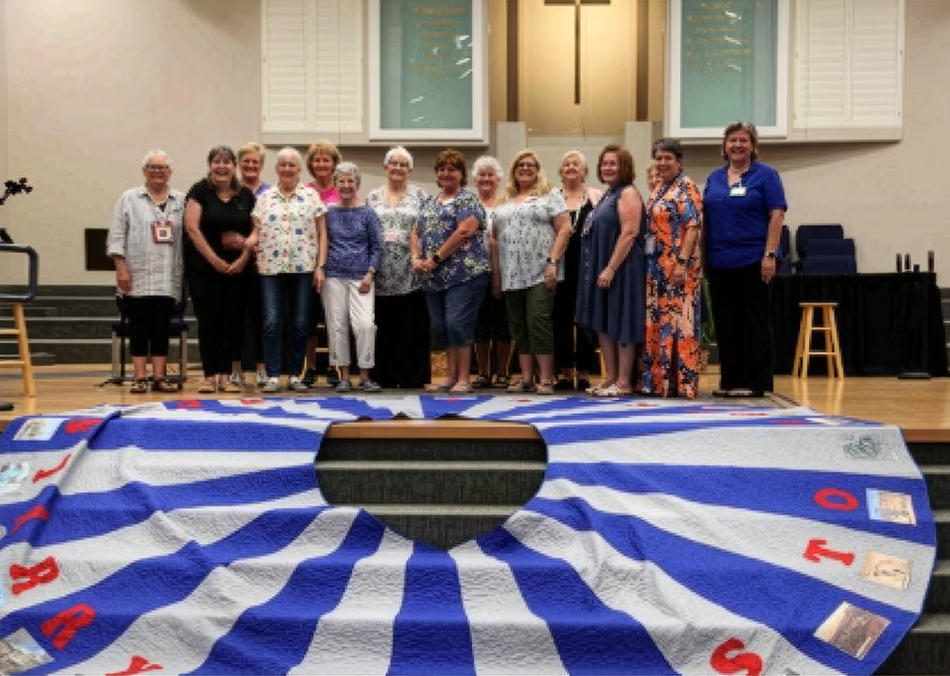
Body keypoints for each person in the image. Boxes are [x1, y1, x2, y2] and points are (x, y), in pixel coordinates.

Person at [703, 121, 787, 397]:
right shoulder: (714, 178)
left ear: (753, 147)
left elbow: (777, 215)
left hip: (752, 259)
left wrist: (770, 255)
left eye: (743, 140)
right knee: (727, 324)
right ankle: (730, 381)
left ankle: (755, 382)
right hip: (718, 262)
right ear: (724, 147)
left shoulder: (765, 175)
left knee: (754, 323)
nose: (737, 145)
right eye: (732, 141)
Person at [492, 149, 571, 395]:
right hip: (511, 272)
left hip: (540, 271)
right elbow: (494, 239)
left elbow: (565, 228)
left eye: (530, 165)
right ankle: (526, 378)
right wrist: (496, 274)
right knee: (519, 326)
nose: (525, 169)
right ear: (514, 171)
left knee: (538, 322)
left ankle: (545, 378)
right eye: (520, 166)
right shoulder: (503, 199)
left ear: (537, 170)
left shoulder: (550, 195)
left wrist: (553, 262)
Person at [107, 150, 185, 394]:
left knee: (161, 328)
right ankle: (140, 377)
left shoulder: (181, 200)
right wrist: (121, 268)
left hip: (167, 276)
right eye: (152, 167)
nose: (157, 171)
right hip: (137, 275)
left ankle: (160, 377)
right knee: (139, 327)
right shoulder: (129, 198)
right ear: (144, 171)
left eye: (162, 167)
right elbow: (117, 236)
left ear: (170, 172)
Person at [412, 148, 489, 394]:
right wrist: (416, 258)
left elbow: (465, 230)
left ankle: (464, 379)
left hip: (465, 274)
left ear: (461, 174)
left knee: (458, 324)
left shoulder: (467, 199)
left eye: (452, 169)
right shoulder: (428, 201)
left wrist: (435, 258)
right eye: (442, 169)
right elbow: (415, 232)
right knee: (442, 327)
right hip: (433, 277)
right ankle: (451, 377)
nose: (446, 173)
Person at [251, 147, 327, 393]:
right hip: (270, 269)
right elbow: (256, 230)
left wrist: (320, 267)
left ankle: (295, 373)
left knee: (301, 323)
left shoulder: (312, 196)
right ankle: (273, 375)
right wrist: (248, 242)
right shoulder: (264, 198)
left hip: (303, 266)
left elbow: (322, 234)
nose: (286, 169)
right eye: (282, 164)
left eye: (291, 165)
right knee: (272, 322)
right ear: (276, 169)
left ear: (299, 169)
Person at [184, 146, 257, 394]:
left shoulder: (246, 195)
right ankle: (209, 375)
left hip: (238, 269)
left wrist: (245, 257)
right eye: (217, 161)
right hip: (204, 269)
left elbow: (256, 230)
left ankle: (226, 377)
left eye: (227, 162)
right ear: (210, 165)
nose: (222, 166)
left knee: (233, 321)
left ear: (234, 167)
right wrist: (214, 260)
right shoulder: (199, 191)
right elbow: (192, 229)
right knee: (209, 322)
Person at [575, 144, 646, 397]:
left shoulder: (627, 193)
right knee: (604, 322)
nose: (607, 167)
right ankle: (611, 377)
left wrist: (610, 268)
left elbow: (629, 233)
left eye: (613, 163)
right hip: (603, 267)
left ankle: (625, 382)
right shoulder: (607, 194)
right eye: (604, 163)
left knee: (622, 320)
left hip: (622, 267)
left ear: (625, 166)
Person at [641, 138, 704, 398]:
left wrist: (682, 262)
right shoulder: (658, 189)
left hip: (679, 268)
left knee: (680, 324)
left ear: (679, 161)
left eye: (668, 158)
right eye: (659, 157)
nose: (662, 162)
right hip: (656, 268)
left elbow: (692, 227)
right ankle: (663, 383)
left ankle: (684, 383)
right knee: (661, 324)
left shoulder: (686, 186)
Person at [365, 147, 431, 388]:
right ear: (385, 168)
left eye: (403, 164)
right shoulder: (372, 197)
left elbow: (426, 230)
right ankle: (384, 376)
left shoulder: (421, 196)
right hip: (380, 271)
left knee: (409, 327)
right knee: (383, 326)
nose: (398, 168)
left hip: (410, 269)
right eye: (393, 163)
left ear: (410, 171)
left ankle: (411, 376)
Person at [322, 162, 383, 392]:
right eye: (342, 181)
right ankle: (344, 376)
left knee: (365, 325)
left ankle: (365, 376)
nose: (346, 185)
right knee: (337, 326)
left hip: (362, 277)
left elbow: (377, 247)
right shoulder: (328, 211)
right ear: (335, 184)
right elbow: (323, 243)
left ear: (358, 184)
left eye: (351, 181)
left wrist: (370, 274)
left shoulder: (367, 212)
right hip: (334, 276)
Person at [553, 150, 602, 391]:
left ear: (584, 171)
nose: (571, 167)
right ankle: (564, 371)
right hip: (560, 265)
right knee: (560, 318)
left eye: (576, 164)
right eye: (567, 165)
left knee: (584, 319)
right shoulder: (552, 197)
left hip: (586, 265)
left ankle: (583, 371)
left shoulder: (594, 197)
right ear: (561, 171)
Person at [303, 140, 342, 386]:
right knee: (308, 318)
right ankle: (309, 368)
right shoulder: (305, 191)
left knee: (333, 318)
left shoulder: (344, 189)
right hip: (308, 262)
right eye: (317, 160)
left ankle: (334, 367)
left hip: (338, 262)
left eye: (326, 160)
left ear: (334, 164)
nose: (321, 164)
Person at [471, 155, 512, 389]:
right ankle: (483, 373)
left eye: (490, 175)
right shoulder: (467, 204)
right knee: (481, 324)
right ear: (475, 179)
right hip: (475, 273)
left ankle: (502, 372)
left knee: (503, 323)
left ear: (498, 179)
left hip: (505, 271)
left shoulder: (506, 204)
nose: (486, 179)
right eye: (482, 175)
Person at [236, 142, 270, 387]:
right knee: (236, 316)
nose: (250, 165)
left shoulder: (270, 193)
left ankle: (261, 367)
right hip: (235, 263)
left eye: (255, 161)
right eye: (246, 161)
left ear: (262, 165)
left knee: (262, 316)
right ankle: (235, 367)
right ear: (239, 164)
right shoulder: (230, 191)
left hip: (265, 264)